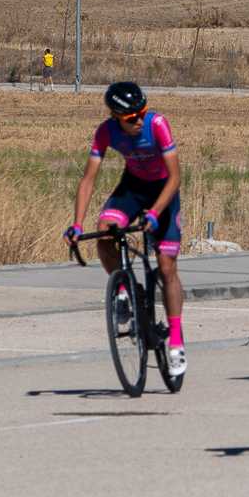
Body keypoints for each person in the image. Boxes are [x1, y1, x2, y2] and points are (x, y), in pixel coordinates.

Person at [65, 80, 187, 377]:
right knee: (105, 231)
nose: (139, 120)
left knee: (167, 266)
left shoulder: (157, 124)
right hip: (133, 187)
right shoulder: (105, 132)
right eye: (132, 118)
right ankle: (123, 289)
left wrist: (156, 214)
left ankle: (176, 341)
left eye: (142, 112)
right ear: (117, 118)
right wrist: (77, 224)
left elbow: (175, 177)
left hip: (163, 191)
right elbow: (88, 180)